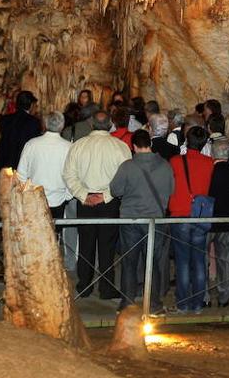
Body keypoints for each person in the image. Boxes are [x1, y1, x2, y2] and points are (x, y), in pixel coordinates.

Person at [62, 110, 132, 300]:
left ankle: (84, 285)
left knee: (86, 244)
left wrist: (84, 195)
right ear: (110, 124)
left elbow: (68, 175)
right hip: (110, 202)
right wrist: (107, 196)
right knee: (107, 247)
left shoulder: (78, 145)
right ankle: (106, 288)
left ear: (92, 124)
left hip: (86, 202)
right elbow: (126, 177)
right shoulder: (121, 147)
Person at [109, 129, 175, 311]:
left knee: (129, 262)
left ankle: (127, 303)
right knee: (152, 263)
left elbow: (115, 190)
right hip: (155, 221)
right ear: (150, 144)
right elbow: (171, 190)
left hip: (131, 220)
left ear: (134, 146)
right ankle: (153, 304)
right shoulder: (165, 166)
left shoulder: (127, 166)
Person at [169, 126, 215, 313]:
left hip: (180, 214)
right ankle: (197, 303)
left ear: (186, 140)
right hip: (200, 215)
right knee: (198, 261)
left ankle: (182, 302)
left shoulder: (175, 161)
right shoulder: (209, 163)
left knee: (182, 262)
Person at [17, 112, 73, 226]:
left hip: (34, 198)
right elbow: (74, 176)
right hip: (58, 199)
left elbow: (21, 174)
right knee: (53, 236)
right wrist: (67, 196)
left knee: (34, 236)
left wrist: (26, 193)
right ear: (62, 125)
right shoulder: (69, 147)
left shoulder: (31, 144)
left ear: (45, 124)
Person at [207, 138, 229, 307]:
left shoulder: (208, 172)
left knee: (202, 258)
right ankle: (224, 296)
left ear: (213, 153)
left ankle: (204, 295)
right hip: (228, 221)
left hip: (208, 221)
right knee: (225, 260)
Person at [0, 90, 42, 170]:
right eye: (35, 105)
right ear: (31, 105)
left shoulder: (5, 119)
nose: (36, 108)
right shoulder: (33, 122)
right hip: (22, 165)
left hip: (5, 163)